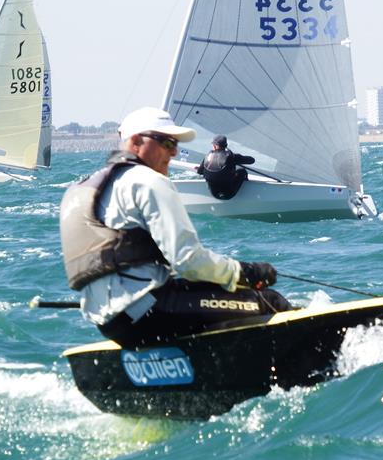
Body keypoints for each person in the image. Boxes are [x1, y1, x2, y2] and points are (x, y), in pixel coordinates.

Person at [59, 107, 291, 348]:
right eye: (167, 142)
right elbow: (188, 261)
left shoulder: (82, 189)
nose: (174, 151)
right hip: (150, 312)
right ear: (137, 142)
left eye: (176, 143)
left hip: (110, 322)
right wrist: (244, 272)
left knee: (215, 295)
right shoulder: (148, 181)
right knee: (269, 301)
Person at [196, 135, 256, 200]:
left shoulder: (208, 156)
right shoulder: (232, 156)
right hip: (229, 194)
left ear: (214, 146)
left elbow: (200, 172)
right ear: (226, 145)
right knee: (242, 171)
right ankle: (248, 188)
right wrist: (236, 159)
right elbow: (252, 160)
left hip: (214, 194)